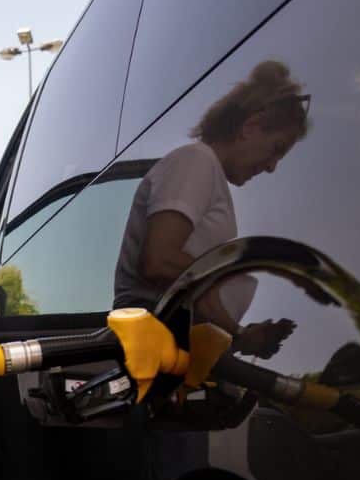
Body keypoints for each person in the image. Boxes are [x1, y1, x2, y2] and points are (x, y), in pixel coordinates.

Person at [113, 60, 311, 358]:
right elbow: (159, 260)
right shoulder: (196, 161)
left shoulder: (208, 172)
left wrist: (239, 336)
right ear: (251, 126)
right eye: (276, 149)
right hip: (157, 347)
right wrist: (235, 331)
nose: (272, 166)